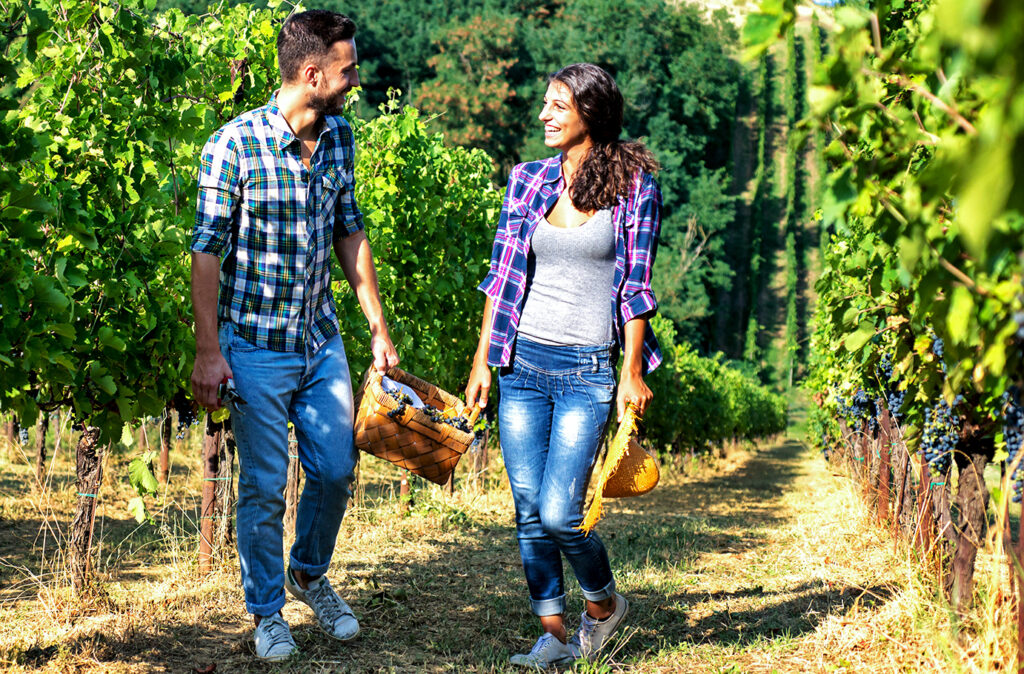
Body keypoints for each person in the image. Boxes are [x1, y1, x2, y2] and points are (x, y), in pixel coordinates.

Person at [190, 10, 399, 662]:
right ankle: (267, 612)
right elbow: (204, 253)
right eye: (348, 69)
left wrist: (377, 325)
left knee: (336, 469)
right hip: (253, 346)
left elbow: (350, 230)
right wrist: (207, 350)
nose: (355, 80)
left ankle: (308, 571)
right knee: (261, 488)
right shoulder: (234, 146)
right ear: (313, 73)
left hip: (319, 340)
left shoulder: (339, 138)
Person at [465, 63, 663, 668]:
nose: (544, 115)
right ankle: (554, 634)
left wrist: (631, 370)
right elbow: (500, 280)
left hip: (585, 370)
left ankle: (602, 605)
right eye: (545, 104)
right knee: (527, 509)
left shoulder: (633, 186)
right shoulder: (527, 181)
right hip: (521, 365)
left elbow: (636, 285)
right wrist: (481, 362)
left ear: (590, 114)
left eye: (557, 105)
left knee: (560, 513)